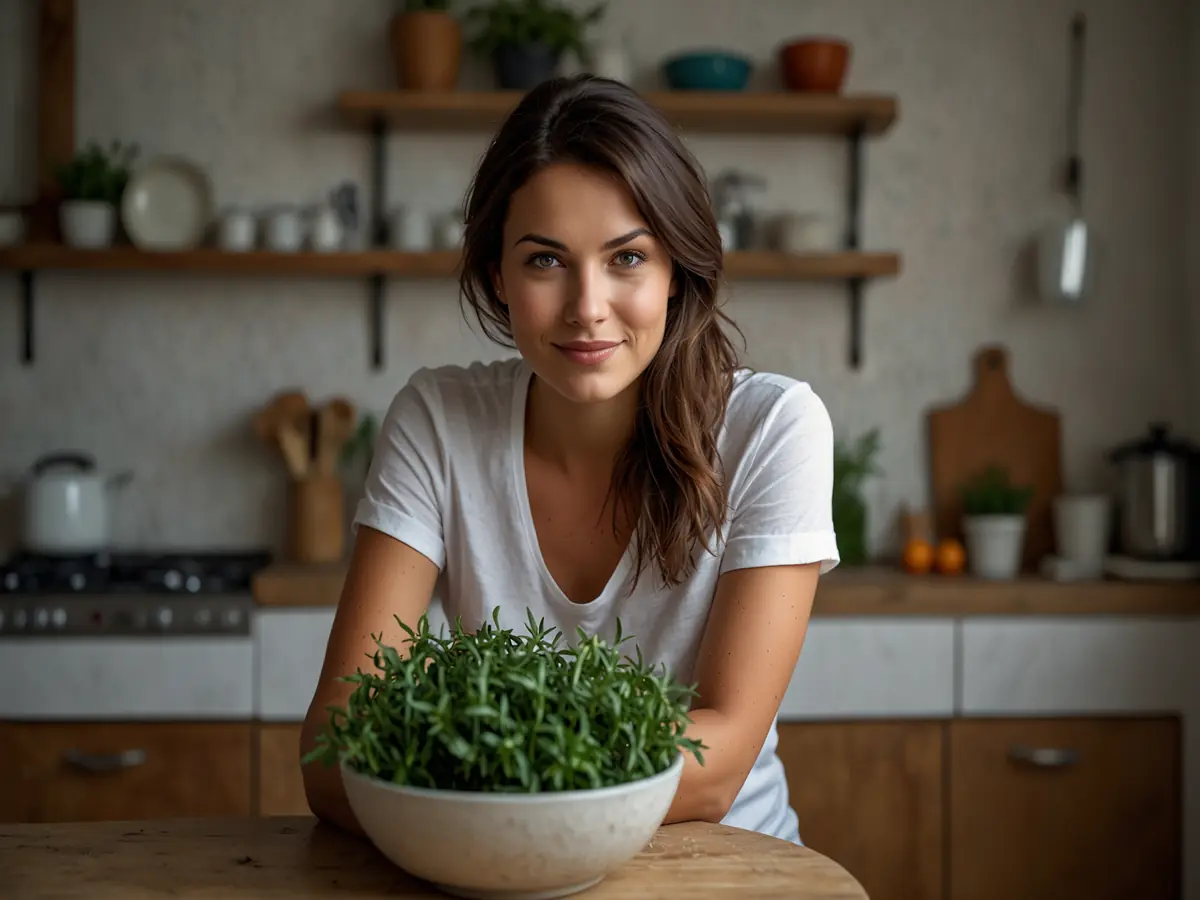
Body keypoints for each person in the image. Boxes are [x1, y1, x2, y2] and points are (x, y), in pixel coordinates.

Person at [300, 74, 839, 844]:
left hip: (724, 867)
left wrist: (476, 775)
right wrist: (523, 807)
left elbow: (717, 768)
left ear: (676, 270)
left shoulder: (774, 427)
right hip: (490, 876)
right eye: (545, 261)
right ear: (498, 275)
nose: (588, 307)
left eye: (627, 258)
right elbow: (333, 746)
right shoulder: (438, 421)